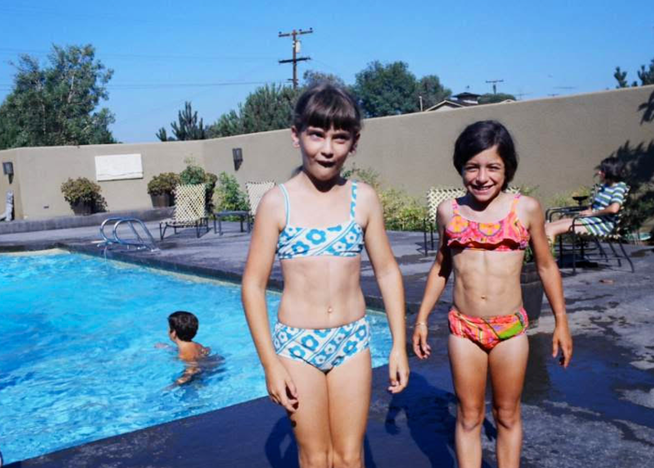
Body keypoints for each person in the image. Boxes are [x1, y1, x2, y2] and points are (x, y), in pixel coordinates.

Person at [242, 83, 409, 468]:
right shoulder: (276, 202)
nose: (327, 148)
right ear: (296, 135)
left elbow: (386, 271)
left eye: (340, 138)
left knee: (350, 458)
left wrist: (398, 345)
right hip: (297, 345)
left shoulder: (362, 198)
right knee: (316, 458)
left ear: (354, 142)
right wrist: (270, 363)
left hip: (352, 340)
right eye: (316, 135)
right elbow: (252, 285)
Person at [412, 120, 573, 468]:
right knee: (469, 416)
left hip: (510, 330)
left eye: (492, 167)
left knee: (507, 414)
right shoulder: (449, 213)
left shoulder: (525, 209)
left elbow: (546, 266)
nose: (482, 177)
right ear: (460, 167)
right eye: (472, 167)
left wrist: (561, 321)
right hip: (464, 329)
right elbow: (441, 268)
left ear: (507, 169)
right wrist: (422, 318)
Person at [545, 156, 628, 242]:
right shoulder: (604, 186)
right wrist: (588, 210)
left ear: (610, 172)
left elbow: (614, 208)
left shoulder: (619, 187)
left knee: (551, 230)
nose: (599, 172)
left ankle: (546, 255)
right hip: (591, 221)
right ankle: (538, 254)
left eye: (602, 171)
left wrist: (593, 213)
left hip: (601, 226)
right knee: (547, 226)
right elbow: (594, 206)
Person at [165, 310, 211, 385]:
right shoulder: (196, 345)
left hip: (196, 377)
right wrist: (167, 347)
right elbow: (205, 351)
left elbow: (191, 370)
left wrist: (174, 385)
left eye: (168, 328)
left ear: (173, 333)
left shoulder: (184, 353)